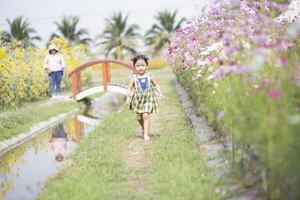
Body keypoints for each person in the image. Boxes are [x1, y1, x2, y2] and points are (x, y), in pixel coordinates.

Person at [126, 54, 164, 142]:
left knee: (146, 115)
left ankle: (146, 134)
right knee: (139, 117)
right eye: (138, 65)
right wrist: (128, 96)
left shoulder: (150, 76)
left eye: (143, 65)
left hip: (148, 99)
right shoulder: (133, 78)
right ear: (134, 67)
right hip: (138, 100)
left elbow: (156, 84)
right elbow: (129, 88)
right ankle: (143, 127)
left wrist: (160, 93)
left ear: (147, 66)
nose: (140, 67)